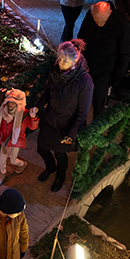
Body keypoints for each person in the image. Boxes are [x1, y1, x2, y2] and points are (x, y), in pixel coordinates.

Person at [36, 40, 94, 193]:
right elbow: (48, 91)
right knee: (41, 148)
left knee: (60, 153)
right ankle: (51, 167)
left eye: (64, 60)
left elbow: (82, 113)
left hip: (66, 126)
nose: (60, 62)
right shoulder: (57, 70)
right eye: (59, 58)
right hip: (50, 119)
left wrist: (71, 134)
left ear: (74, 61)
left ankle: (60, 176)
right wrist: (37, 106)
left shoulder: (85, 82)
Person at [77, 1, 130, 116]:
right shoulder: (90, 14)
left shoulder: (121, 23)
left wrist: (116, 78)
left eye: (101, 21)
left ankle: (97, 131)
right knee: (80, 98)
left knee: (98, 102)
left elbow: (125, 54)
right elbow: (81, 37)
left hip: (105, 69)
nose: (97, 23)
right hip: (86, 64)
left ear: (109, 13)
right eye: (95, 20)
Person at [0, 88, 38, 184]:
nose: (11, 105)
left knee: (13, 160)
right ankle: (2, 172)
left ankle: (22, 164)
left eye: (14, 103)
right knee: (3, 157)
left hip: (16, 140)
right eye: (10, 102)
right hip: (5, 138)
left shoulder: (24, 114)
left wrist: (33, 117)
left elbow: (32, 127)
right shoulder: (3, 112)